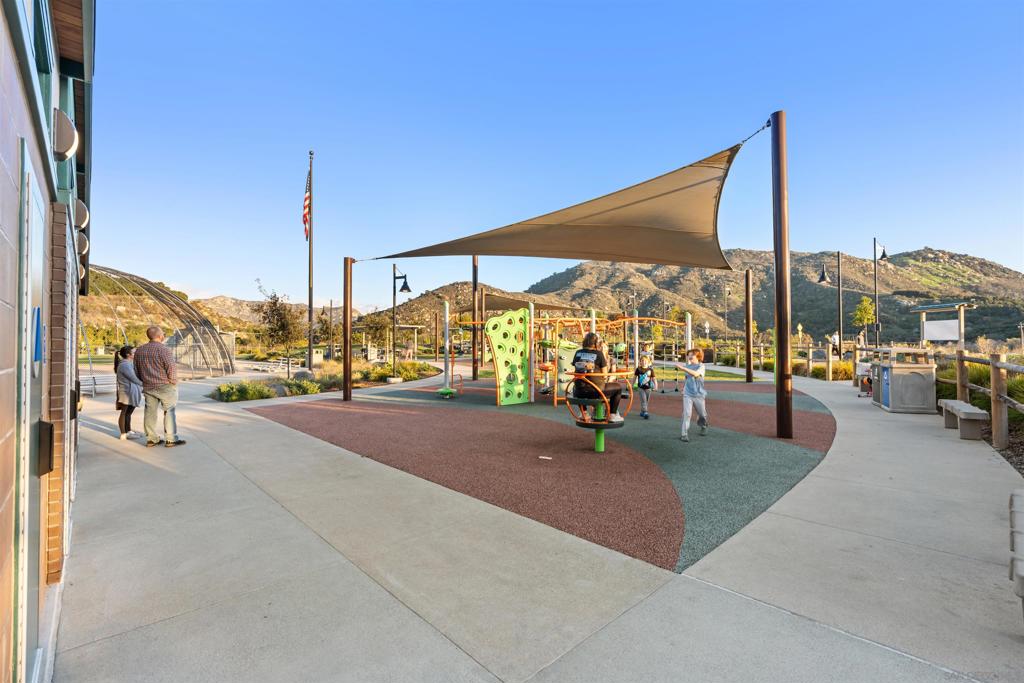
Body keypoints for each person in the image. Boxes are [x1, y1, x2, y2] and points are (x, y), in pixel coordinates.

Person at [133, 325, 186, 448]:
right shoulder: (163, 349)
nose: (163, 335)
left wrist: (144, 380)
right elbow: (171, 367)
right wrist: (173, 381)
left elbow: (136, 370)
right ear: (159, 335)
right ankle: (171, 439)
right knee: (169, 411)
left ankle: (151, 439)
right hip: (165, 386)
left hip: (148, 386)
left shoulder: (139, 350)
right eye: (163, 333)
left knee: (150, 413)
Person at [571, 332, 623, 422]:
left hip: (579, 392)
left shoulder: (578, 352)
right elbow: (605, 374)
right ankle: (612, 414)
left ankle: (584, 413)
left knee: (577, 386)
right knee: (618, 388)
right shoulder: (599, 354)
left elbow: (575, 366)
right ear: (595, 343)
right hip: (596, 391)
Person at [675, 348, 708, 442]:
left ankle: (703, 425)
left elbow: (696, 374)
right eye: (688, 355)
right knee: (687, 413)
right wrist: (683, 387)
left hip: (699, 394)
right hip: (687, 394)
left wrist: (683, 368)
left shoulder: (701, 366)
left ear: (698, 356)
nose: (689, 356)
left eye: (692, 355)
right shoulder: (688, 366)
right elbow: (687, 378)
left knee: (702, 415)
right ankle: (684, 434)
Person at [114, 345, 143, 440]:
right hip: (126, 392)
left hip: (130, 391)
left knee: (128, 413)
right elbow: (133, 378)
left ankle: (128, 431)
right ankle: (123, 433)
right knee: (124, 412)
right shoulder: (124, 365)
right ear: (128, 354)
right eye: (134, 353)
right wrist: (144, 384)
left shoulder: (129, 363)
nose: (135, 354)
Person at [634, 355, 656, 419]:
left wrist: (656, 386)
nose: (643, 362)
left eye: (645, 361)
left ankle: (642, 411)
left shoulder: (650, 370)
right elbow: (634, 377)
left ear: (648, 362)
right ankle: (645, 412)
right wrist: (632, 384)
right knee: (643, 400)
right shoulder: (638, 369)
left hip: (648, 388)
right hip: (640, 388)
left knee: (646, 401)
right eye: (642, 361)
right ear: (640, 362)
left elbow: (654, 379)